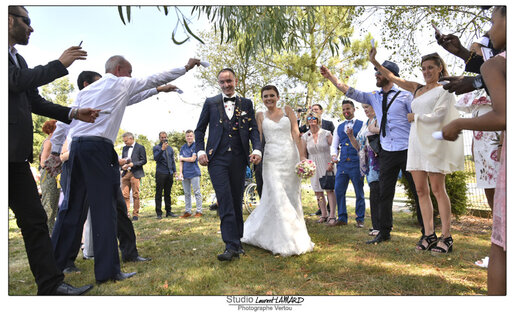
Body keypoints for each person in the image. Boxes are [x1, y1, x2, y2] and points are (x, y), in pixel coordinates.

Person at [50, 55, 200, 284]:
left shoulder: (87, 92)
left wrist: (55, 152)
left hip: (78, 149)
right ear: (119, 69)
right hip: (99, 149)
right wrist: (185, 68)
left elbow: (63, 120)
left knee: (70, 207)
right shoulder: (119, 82)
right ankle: (109, 271)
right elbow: (152, 78)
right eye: (129, 72)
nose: (131, 77)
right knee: (106, 209)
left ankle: (55, 265)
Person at [8, 5, 96, 295]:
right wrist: (59, 65)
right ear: (8, 20)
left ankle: (51, 285)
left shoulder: (17, 59)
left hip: (15, 157)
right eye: (26, 21)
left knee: (35, 221)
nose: (30, 28)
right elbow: (15, 82)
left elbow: (35, 101)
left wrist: (73, 112)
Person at [321, 60, 425, 245]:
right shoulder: (374, 96)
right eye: (375, 71)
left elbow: (418, 119)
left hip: (408, 150)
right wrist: (330, 77)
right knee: (384, 192)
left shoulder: (405, 96)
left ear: (390, 74)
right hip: (387, 151)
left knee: (419, 191)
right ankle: (384, 232)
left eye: (379, 72)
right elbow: (350, 91)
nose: (376, 75)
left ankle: (427, 232)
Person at [369, 48, 464, 253]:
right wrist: (375, 62)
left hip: (434, 144)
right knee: (421, 190)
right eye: (423, 68)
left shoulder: (445, 89)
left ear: (440, 68)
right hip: (416, 144)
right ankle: (428, 234)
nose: (426, 71)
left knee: (438, 190)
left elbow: (440, 116)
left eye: (430, 67)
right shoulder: (416, 88)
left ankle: (446, 237)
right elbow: (392, 76)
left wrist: (416, 118)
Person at [442, 5, 505, 295]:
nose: (488, 30)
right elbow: (481, 71)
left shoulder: (496, 63)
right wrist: (461, 56)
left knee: (502, 223)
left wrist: (458, 124)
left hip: (498, 132)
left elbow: (490, 76)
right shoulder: (492, 63)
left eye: (493, 21)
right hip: (488, 137)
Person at [194, 68, 262, 261]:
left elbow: (253, 132)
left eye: (229, 81)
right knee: (224, 199)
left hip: (239, 159)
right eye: (222, 82)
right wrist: (200, 152)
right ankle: (230, 245)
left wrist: (256, 150)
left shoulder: (247, 103)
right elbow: (199, 131)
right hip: (217, 159)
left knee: (236, 199)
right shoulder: (211, 103)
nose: (226, 85)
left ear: (236, 81)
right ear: (219, 83)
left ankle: (237, 241)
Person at [242, 85, 314, 256]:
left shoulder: (288, 111)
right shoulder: (260, 115)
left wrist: (302, 157)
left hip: (290, 157)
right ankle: (284, 241)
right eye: (265, 96)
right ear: (262, 98)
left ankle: (294, 235)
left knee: (291, 197)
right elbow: (258, 139)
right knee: (275, 194)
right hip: (271, 160)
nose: (269, 99)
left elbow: (296, 134)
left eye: (272, 95)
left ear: (278, 96)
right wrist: (255, 153)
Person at [346, 103, 381, 236]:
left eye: (368, 107)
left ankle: (380, 226)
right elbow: (359, 147)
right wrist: (350, 137)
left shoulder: (379, 119)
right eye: (364, 107)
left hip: (378, 163)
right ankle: (376, 225)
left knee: (378, 194)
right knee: (373, 194)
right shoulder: (366, 123)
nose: (366, 110)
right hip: (368, 164)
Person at [328, 100, 365, 228]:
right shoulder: (339, 127)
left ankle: (360, 219)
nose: (346, 112)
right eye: (343, 109)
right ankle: (342, 217)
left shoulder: (362, 124)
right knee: (338, 190)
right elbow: (334, 145)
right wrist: (334, 156)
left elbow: (363, 144)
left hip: (356, 163)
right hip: (343, 163)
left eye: (348, 109)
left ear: (354, 109)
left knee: (358, 191)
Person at [300, 110, 337, 225]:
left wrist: (332, 162)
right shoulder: (305, 136)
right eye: (309, 119)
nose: (312, 121)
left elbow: (334, 149)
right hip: (313, 165)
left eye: (314, 119)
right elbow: (303, 154)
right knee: (318, 191)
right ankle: (324, 214)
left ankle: (332, 215)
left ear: (318, 120)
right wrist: (306, 164)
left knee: (329, 189)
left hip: (327, 163)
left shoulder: (326, 133)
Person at [120, 132, 147, 221]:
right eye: (124, 141)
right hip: (125, 174)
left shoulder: (140, 147)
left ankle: (135, 214)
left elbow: (144, 160)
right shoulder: (124, 148)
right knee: (125, 194)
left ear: (131, 139)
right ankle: (126, 214)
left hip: (135, 173)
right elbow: (124, 160)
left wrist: (133, 164)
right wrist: (122, 166)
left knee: (135, 194)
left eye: (126, 141)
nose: (125, 143)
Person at [39, 119, 60, 234]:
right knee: (49, 205)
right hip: (48, 176)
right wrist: (58, 164)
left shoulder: (53, 141)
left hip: (53, 175)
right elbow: (43, 162)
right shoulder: (49, 142)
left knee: (53, 204)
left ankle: (50, 231)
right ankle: (47, 232)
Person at [153, 131, 178, 219]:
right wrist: (162, 149)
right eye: (162, 137)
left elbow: (172, 160)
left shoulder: (170, 149)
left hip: (169, 173)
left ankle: (169, 211)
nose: (164, 139)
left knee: (168, 193)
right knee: (159, 193)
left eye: (165, 137)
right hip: (161, 173)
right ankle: (159, 213)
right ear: (159, 138)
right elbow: (156, 158)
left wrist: (175, 171)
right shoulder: (156, 147)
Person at [178, 130, 203, 218]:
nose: (189, 137)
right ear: (185, 137)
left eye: (191, 136)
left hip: (194, 173)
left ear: (193, 137)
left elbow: (193, 159)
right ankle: (188, 211)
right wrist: (180, 173)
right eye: (188, 136)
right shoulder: (183, 148)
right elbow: (180, 162)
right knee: (187, 193)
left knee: (197, 192)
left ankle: (199, 211)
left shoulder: (196, 146)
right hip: (185, 173)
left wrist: (183, 158)